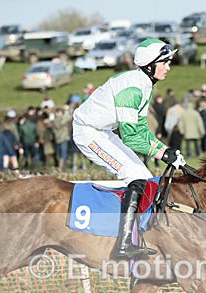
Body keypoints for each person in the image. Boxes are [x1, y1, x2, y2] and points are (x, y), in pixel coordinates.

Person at [72, 39, 185, 258]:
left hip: (102, 131)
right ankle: (123, 244)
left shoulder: (145, 83)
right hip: (88, 132)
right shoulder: (133, 88)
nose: (168, 67)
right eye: (164, 62)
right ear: (150, 65)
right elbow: (131, 137)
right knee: (135, 176)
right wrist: (162, 154)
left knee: (145, 176)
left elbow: (141, 129)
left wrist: (165, 149)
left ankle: (134, 236)